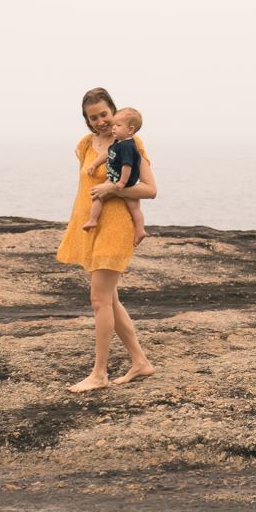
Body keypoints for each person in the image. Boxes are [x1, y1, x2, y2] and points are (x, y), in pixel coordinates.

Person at [55, 87, 159, 393]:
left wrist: (113, 190)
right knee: (110, 299)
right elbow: (85, 186)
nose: (100, 121)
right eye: (93, 117)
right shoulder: (86, 145)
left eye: (104, 114)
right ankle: (140, 361)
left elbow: (150, 189)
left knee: (99, 299)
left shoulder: (129, 142)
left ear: (113, 111)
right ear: (86, 120)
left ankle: (99, 373)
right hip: (91, 227)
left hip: (116, 228)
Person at [80, 107, 147, 246]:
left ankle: (93, 219)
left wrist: (121, 183)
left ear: (130, 129)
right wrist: (95, 164)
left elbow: (127, 166)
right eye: (114, 125)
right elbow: (107, 154)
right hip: (116, 178)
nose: (114, 128)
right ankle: (140, 230)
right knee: (134, 207)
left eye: (118, 125)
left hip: (119, 180)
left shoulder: (128, 146)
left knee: (98, 195)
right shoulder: (118, 142)